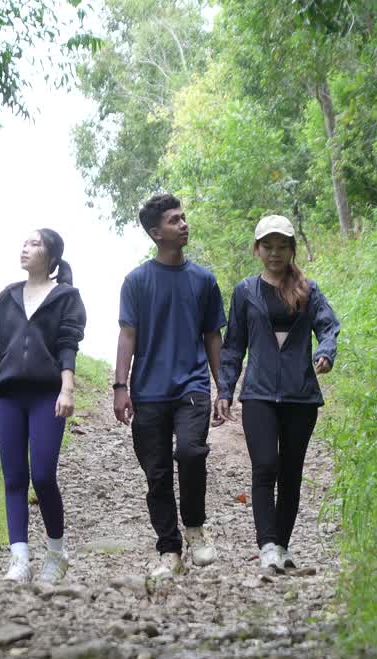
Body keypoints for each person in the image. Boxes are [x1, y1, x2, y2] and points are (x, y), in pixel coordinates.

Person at [214, 214, 340, 573]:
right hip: (259, 394)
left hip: (301, 396)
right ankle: (266, 544)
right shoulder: (245, 292)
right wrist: (225, 388)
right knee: (265, 466)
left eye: (282, 246)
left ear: (292, 249)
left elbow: (329, 326)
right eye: (267, 246)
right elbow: (234, 344)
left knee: (291, 472)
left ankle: (282, 547)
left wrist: (325, 351)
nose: (274, 252)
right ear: (257, 249)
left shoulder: (309, 290)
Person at [114, 193, 227, 579]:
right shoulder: (136, 281)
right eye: (174, 220)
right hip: (148, 390)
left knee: (193, 452)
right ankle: (170, 550)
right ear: (155, 232)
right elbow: (127, 335)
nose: (184, 224)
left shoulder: (203, 280)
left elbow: (213, 336)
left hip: (192, 385)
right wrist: (120, 386)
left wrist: (222, 387)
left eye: (184, 218)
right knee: (157, 473)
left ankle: (195, 526)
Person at [0, 229, 87, 583]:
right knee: (14, 478)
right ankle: (19, 559)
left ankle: (56, 554)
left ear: (52, 256)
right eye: (24, 242)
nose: (25, 248)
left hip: (47, 394)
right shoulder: (7, 297)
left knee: (42, 476)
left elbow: (67, 344)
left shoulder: (65, 297)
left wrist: (67, 388)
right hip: (10, 395)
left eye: (34, 243)